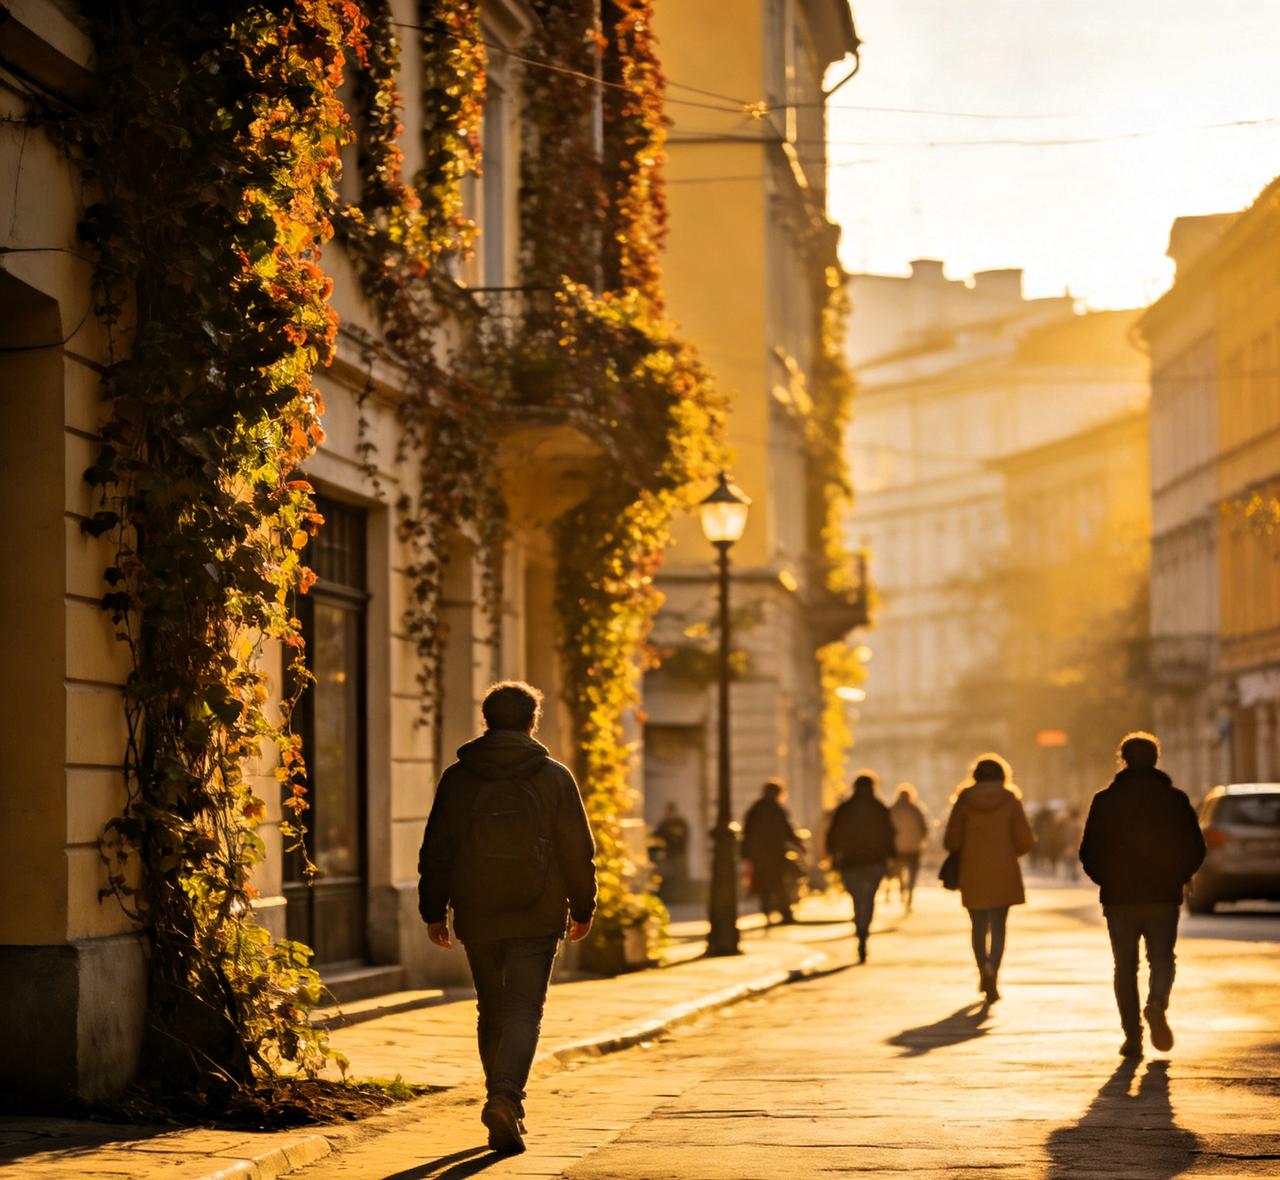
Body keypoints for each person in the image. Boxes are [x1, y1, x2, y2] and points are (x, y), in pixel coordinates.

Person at [418, 681, 597, 1155]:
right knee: (524, 1009)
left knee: (491, 1008)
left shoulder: (459, 778)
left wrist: (434, 910)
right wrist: (583, 907)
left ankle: (500, 1096)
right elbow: (577, 849)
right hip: (538, 911)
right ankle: (505, 1097)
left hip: (477, 910)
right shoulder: (554, 777)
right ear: (532, 721)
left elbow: (437, 848)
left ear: (487, 720)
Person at [1078, 731, 1206, 1059]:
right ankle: (1157, 1002)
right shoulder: (1174, 799)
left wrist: (1107, 880)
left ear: (1123, 759)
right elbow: (1195, 847)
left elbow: (1088, 851)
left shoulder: (1105, 800)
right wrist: (1179, 876)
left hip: (1119, 897)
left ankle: (1132, 1037)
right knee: (1162, 958)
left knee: (1125, 966)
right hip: (1163, 894)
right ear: (1155, 759)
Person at [943, 753, 1034, 1003]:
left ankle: (983, 968)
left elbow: (951, 840)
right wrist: (1008, 853)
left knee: (978, 926)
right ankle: (994, 968)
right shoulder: (1010, 800)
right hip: (1004, 870)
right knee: (999, 926)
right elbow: (1026, 839)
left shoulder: (964, 800)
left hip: (972, 871)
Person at [827, 771, 896, 962]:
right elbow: (889, 835)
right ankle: (864, 930)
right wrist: (891, 858)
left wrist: (834, 855)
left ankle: (860, 927)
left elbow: (833, 834)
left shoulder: (845, 809)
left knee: (857, 898)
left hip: (851, 861)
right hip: (875, 861)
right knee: (870, 898)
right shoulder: (879, 808)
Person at [741, 780, 804, 924]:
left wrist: (746, 854)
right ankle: (785, 914)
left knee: (765, 885)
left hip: (759, 854)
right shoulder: (776, 808)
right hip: (775, 853)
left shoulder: (756, 808)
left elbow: (747, 832)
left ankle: (767, 912)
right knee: (779, 884)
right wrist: (799, 845)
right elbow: (787, 830)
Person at [889, 783, 929, 911]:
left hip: (897, 848)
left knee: (899, 871)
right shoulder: (916, 810)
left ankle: (902, 890)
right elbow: (924, 828)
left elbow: (887, 829)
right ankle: (910, 893)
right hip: (913, 848)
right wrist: (922, 840)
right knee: (912, 873)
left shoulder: (892, 809)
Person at [653, 801, 691, 895]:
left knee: (680, 875)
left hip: (679, 853)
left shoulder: (680, 823)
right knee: (669, 876)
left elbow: (685, 837)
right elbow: (656, 837)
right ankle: (671, 894)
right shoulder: (664, 824)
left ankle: (681, 893)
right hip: (668, 854)